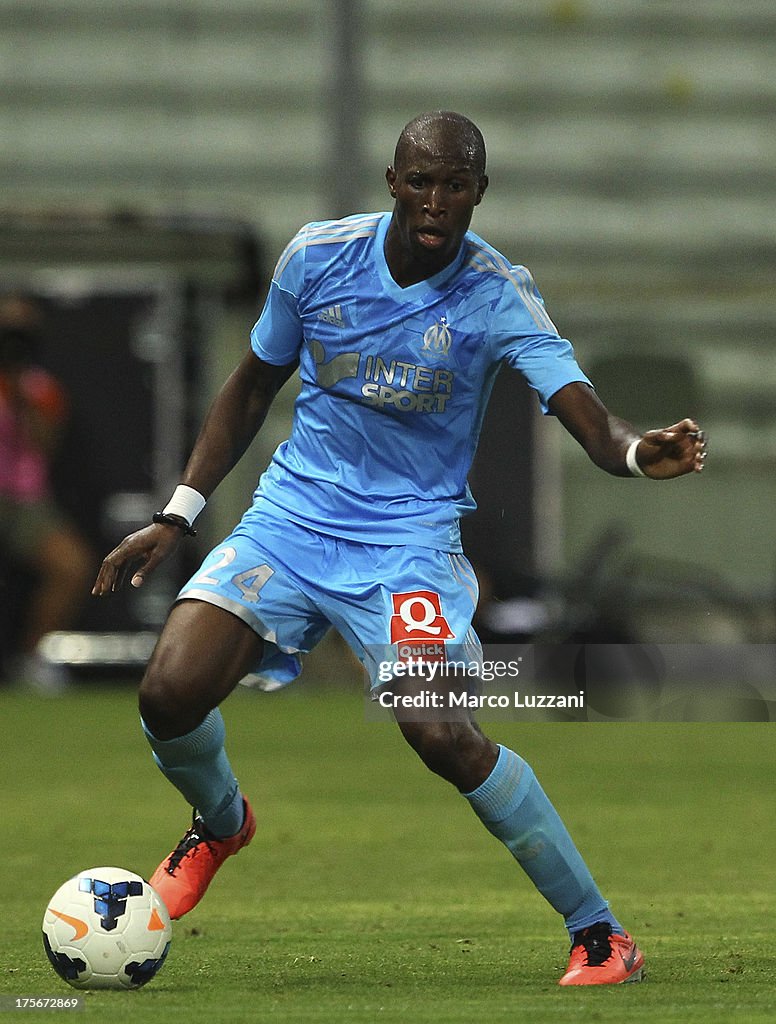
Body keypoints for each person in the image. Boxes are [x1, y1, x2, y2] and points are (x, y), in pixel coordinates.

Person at [92, 112, 706, 986]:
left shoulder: (498, 294)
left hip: (405, 548)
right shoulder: (317, 257)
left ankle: (600, 934)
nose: (435, 202)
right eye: (420, 181)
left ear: (479, 193)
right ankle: (222, 822)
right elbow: (251, 385)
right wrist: (179, 513)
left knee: (441, 731)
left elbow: (595, 422)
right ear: (391, 181)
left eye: (455, 185)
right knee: (169, 692)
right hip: (291, 520)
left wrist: (644, 455)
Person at [0, 295, 93, 692]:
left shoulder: (40, 390)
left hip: (25, 501)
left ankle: (31, 660)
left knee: (72, 566)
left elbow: (43, 446)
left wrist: (18, 395)